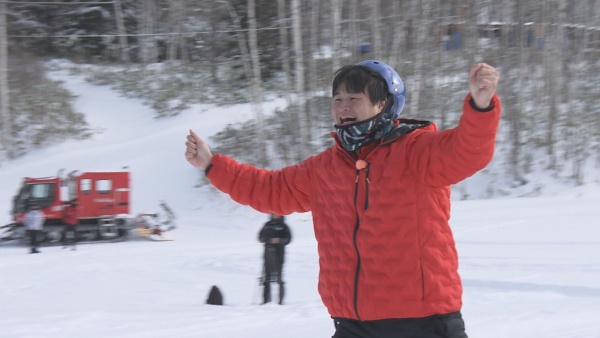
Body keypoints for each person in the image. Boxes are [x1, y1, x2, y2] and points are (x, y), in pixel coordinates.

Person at [185, 60, 501, 338]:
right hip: (353, 323)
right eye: (337, 99)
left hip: (422, 321)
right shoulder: (325, 168)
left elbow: (465, 151)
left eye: (354, 98)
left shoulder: (417, 151)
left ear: (383, 105)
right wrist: (212, 165)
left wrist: (481, 107)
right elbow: (270, 189)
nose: (343, 107)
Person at [258, 214, 292, 305]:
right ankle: (265, 300)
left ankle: (280, 301)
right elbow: (260, 237)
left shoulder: (283, 226)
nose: (275, 215)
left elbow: (288, 239)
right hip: (268, 254)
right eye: (273, 214)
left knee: (279, 278)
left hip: (279, 254)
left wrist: (279, 240)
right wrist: (269, 240)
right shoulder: (267, 225)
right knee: (266, 278)